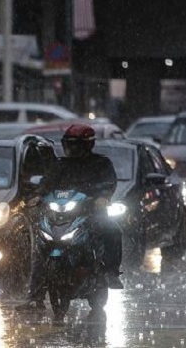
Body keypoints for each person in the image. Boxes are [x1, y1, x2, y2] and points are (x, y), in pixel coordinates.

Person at [16, 123, 123, 311]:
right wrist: (37, 197)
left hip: (90, 213)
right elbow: (46, 184)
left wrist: (102, 198)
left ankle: (110, 272)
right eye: (69, 144)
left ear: (87, 145)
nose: (72, 149)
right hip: (59, 214)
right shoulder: (59, 165)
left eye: (76, 145)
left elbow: (108, 183)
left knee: (113, 230)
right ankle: (34, 296)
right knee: (40, 248)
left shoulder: (101, 163)